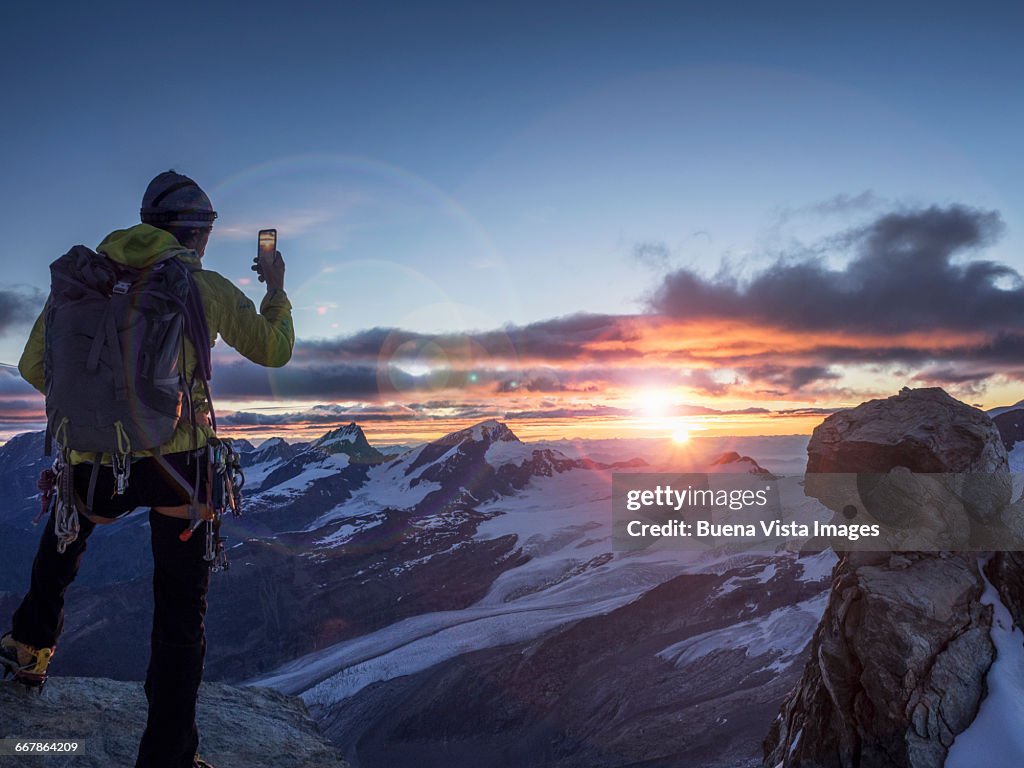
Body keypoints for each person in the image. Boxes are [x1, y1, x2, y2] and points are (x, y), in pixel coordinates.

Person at [0, 171, 294, 768]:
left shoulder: (81, 282)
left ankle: (29, 648)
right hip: (177, 462)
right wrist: (275, 288)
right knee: (180, 611)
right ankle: (166, 756)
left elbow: (38, 366)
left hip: (93, 456)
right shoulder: (202, 285)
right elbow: (275, 349)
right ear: (193, 233)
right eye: (203, 234)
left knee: (63, 542)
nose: (204, 245)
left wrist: (105, 403)